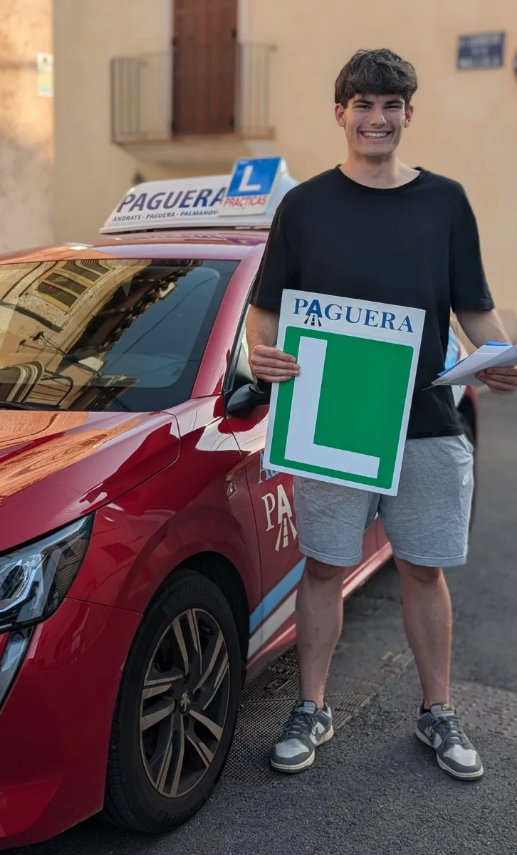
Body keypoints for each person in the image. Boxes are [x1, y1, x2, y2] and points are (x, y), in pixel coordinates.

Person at [246, 48, 517, 780]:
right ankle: (312, 706)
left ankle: (437, 711)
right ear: (341, 113)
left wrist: (501, 359)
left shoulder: (446, 201)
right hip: (329, 418)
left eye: (391, 105)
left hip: (427, 419)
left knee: (424, 569)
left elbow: (474, 311)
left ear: (407, 114)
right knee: (325, 564)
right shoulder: (303, 206)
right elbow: (266, 312)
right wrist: (257, 356)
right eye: (363, 105)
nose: (377, 118)